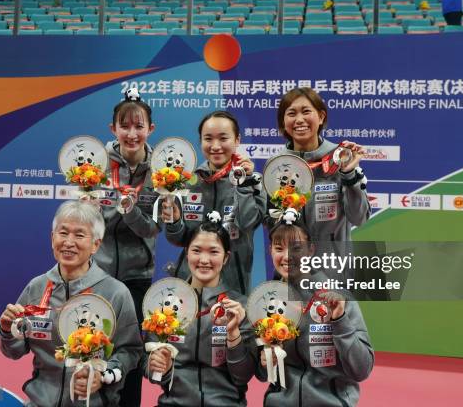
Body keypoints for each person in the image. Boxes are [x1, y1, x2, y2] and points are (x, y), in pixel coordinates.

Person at [0, 201, 143, 406]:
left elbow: (131, 351)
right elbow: (13, 351)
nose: (68, 242)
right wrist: (7, 330)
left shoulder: (116, 292)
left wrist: (103, 374)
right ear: (52, 238)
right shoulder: (36, 288)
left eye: (79, 235)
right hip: (40, 401)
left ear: (96, 244)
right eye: (63, 233)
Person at [258, 216, 374, 406]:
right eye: (279, 248)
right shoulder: (267, 301)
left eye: (296, 248)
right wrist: (264, 362)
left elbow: (362, 369)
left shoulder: (338, 297)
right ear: (270, 250)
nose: (287, 256)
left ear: (311, 250)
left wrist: (340, 321)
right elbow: (262, 374)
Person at [92, 88, 161, 407]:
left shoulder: (162, 171)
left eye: (139, 126)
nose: (132, 133)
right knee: (92, 346)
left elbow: (151, 227)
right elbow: (89, 224)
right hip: (97, 276)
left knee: (131, 354)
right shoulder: (95, 165)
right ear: (113, 129)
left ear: (151, 129)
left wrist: (128, 208)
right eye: (125, 125)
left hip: (137, 278)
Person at [146, 215, 257, 406]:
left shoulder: (240, 308)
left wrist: (233, 334)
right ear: (187, 253)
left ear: (226, 258)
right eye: (196, 250)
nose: (204, 260)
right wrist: (158, 369)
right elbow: (151, 370)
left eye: (214, 252)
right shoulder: (164, 305)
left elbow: (243, 377)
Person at [163, 110, 266, 296]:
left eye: (223, 138)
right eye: (208, 139)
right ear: (201, 141)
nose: (215, 146)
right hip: (191, 282)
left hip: (234, 284)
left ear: (237, 140)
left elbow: (247, 223)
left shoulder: (254, 182)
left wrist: (243, 183)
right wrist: (174, 222)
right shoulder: (188, 182)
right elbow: (178, 239)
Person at [270, 87, 370, 278]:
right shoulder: (276, 166)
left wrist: (348, 174)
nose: (299, 120)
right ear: (283, 122)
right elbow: (271, 222)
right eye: (291, 113)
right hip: (291, 272)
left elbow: (360, 218)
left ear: (321, 117)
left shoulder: (340, 158)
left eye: (306, 111)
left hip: (334, 272)